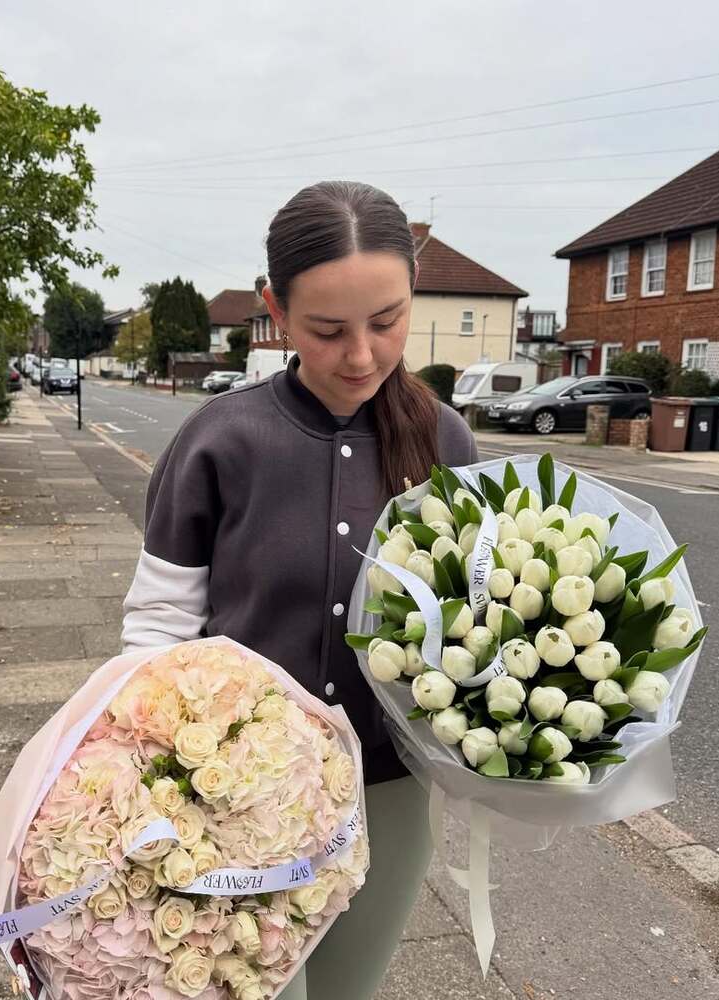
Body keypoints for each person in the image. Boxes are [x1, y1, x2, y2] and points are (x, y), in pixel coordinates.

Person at [121, 180, 478, 999]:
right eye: (327, 330)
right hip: (238, 797)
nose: (361, 356)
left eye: (387, 322)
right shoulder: (220, 439)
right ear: (274, 309)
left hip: (388, 792)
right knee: (249, 987)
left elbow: (475, 622)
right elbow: (157, 628)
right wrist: (153, 781)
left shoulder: (446, 442)